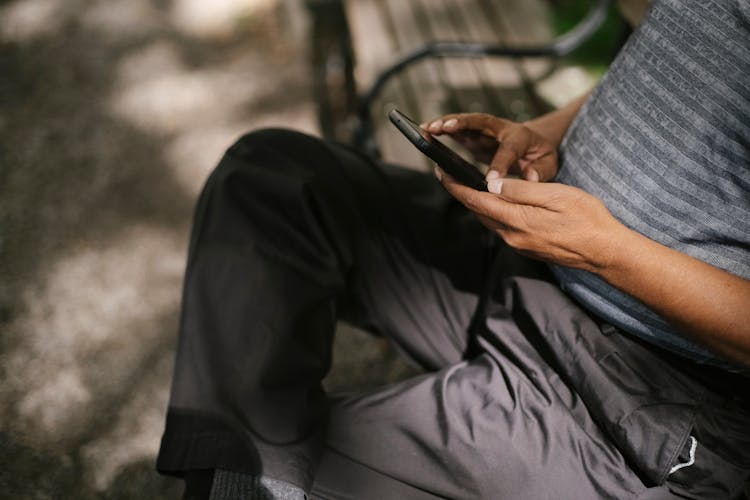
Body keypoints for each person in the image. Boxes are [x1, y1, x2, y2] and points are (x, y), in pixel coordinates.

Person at [156, 0, 750, 498]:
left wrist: (604, 251)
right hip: (526, 263)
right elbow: (685, 53)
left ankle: (246, 476)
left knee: (290, 471)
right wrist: (553, 128)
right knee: (272, 177)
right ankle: (238, 470)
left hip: (636, 390)